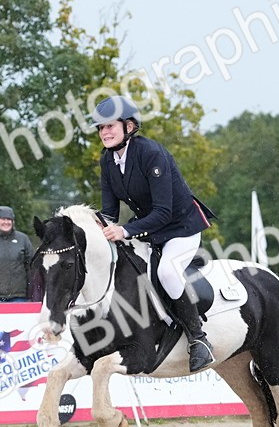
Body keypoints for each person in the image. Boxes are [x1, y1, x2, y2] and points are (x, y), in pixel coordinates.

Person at [92, 95, 217, 372]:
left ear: (129, 126)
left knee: (167, 273)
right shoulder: (108, 161)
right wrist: (97, 227)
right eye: (101, 128)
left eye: (110, 126)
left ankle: (198, 339)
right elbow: (110, 212)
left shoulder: (151, 154)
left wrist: (124, 230)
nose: (104, 132)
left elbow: (163, 212)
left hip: (179, 228)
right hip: (149, 229)